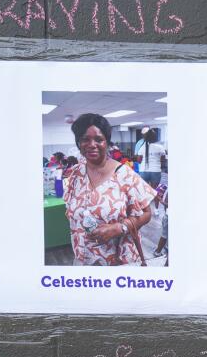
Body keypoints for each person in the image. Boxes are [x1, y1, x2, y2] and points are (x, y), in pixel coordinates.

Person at [62, 113, 154, 267]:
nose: (92, 144)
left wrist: (120, 227)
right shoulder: (75, 174)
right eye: (85, 139)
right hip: (83, 260)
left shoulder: (125, 174)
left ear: (107, 142)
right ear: (79, 142)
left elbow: (147, 213)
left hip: (118, 261)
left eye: (98, 139)